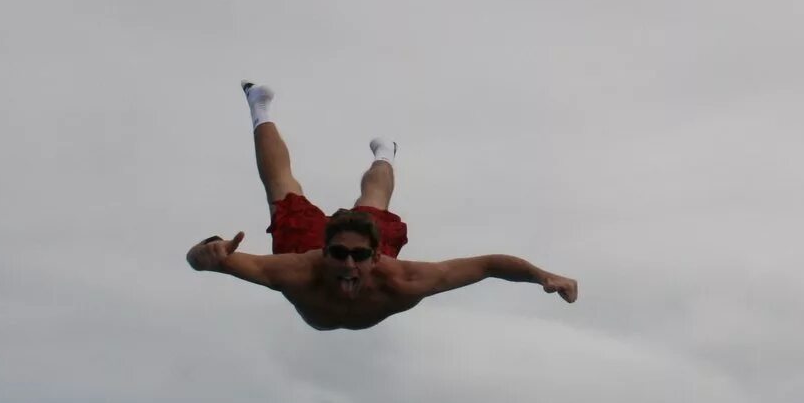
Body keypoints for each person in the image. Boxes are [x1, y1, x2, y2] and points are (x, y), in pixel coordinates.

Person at [186, 82, 579, 330]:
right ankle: (259, 104)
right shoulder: (296, 269)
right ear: (325, 251)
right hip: (305, 250)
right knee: (282, 187)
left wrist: (541, 275)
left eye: (359, 256)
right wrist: (206, 253)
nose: (349, 265)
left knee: (374, 202)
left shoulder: (405, 279)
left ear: (376, 256)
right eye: (339, 254)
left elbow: (489, 266)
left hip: (365, 255)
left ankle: (385, 155)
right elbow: (203, 262)